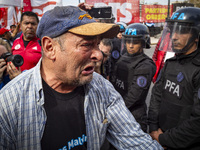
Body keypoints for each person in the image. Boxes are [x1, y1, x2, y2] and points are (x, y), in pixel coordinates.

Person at [0, 6, 163, 150]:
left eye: (97, 44)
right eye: (86, 45)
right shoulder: (9, 103)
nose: (99, 55)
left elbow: (136, 141)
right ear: (50, 48)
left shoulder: (102, 89)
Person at [148, 7, 200, 149]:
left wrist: (165, 139)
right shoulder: (170, 63)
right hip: (160, 136)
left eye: (182, 30)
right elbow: (156, 96)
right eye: (173, 31)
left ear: (196, 35)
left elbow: (197, 121)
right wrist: (153, 128)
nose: (174, 37)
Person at [111, 23, 156, 132]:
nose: (130, 46)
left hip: (133, 115)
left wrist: (115, 111)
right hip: (118, 111)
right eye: (128, 42)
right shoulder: (123, 58)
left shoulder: (145, 65)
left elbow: (134, 96)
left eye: (135, 42)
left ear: (143, 43)